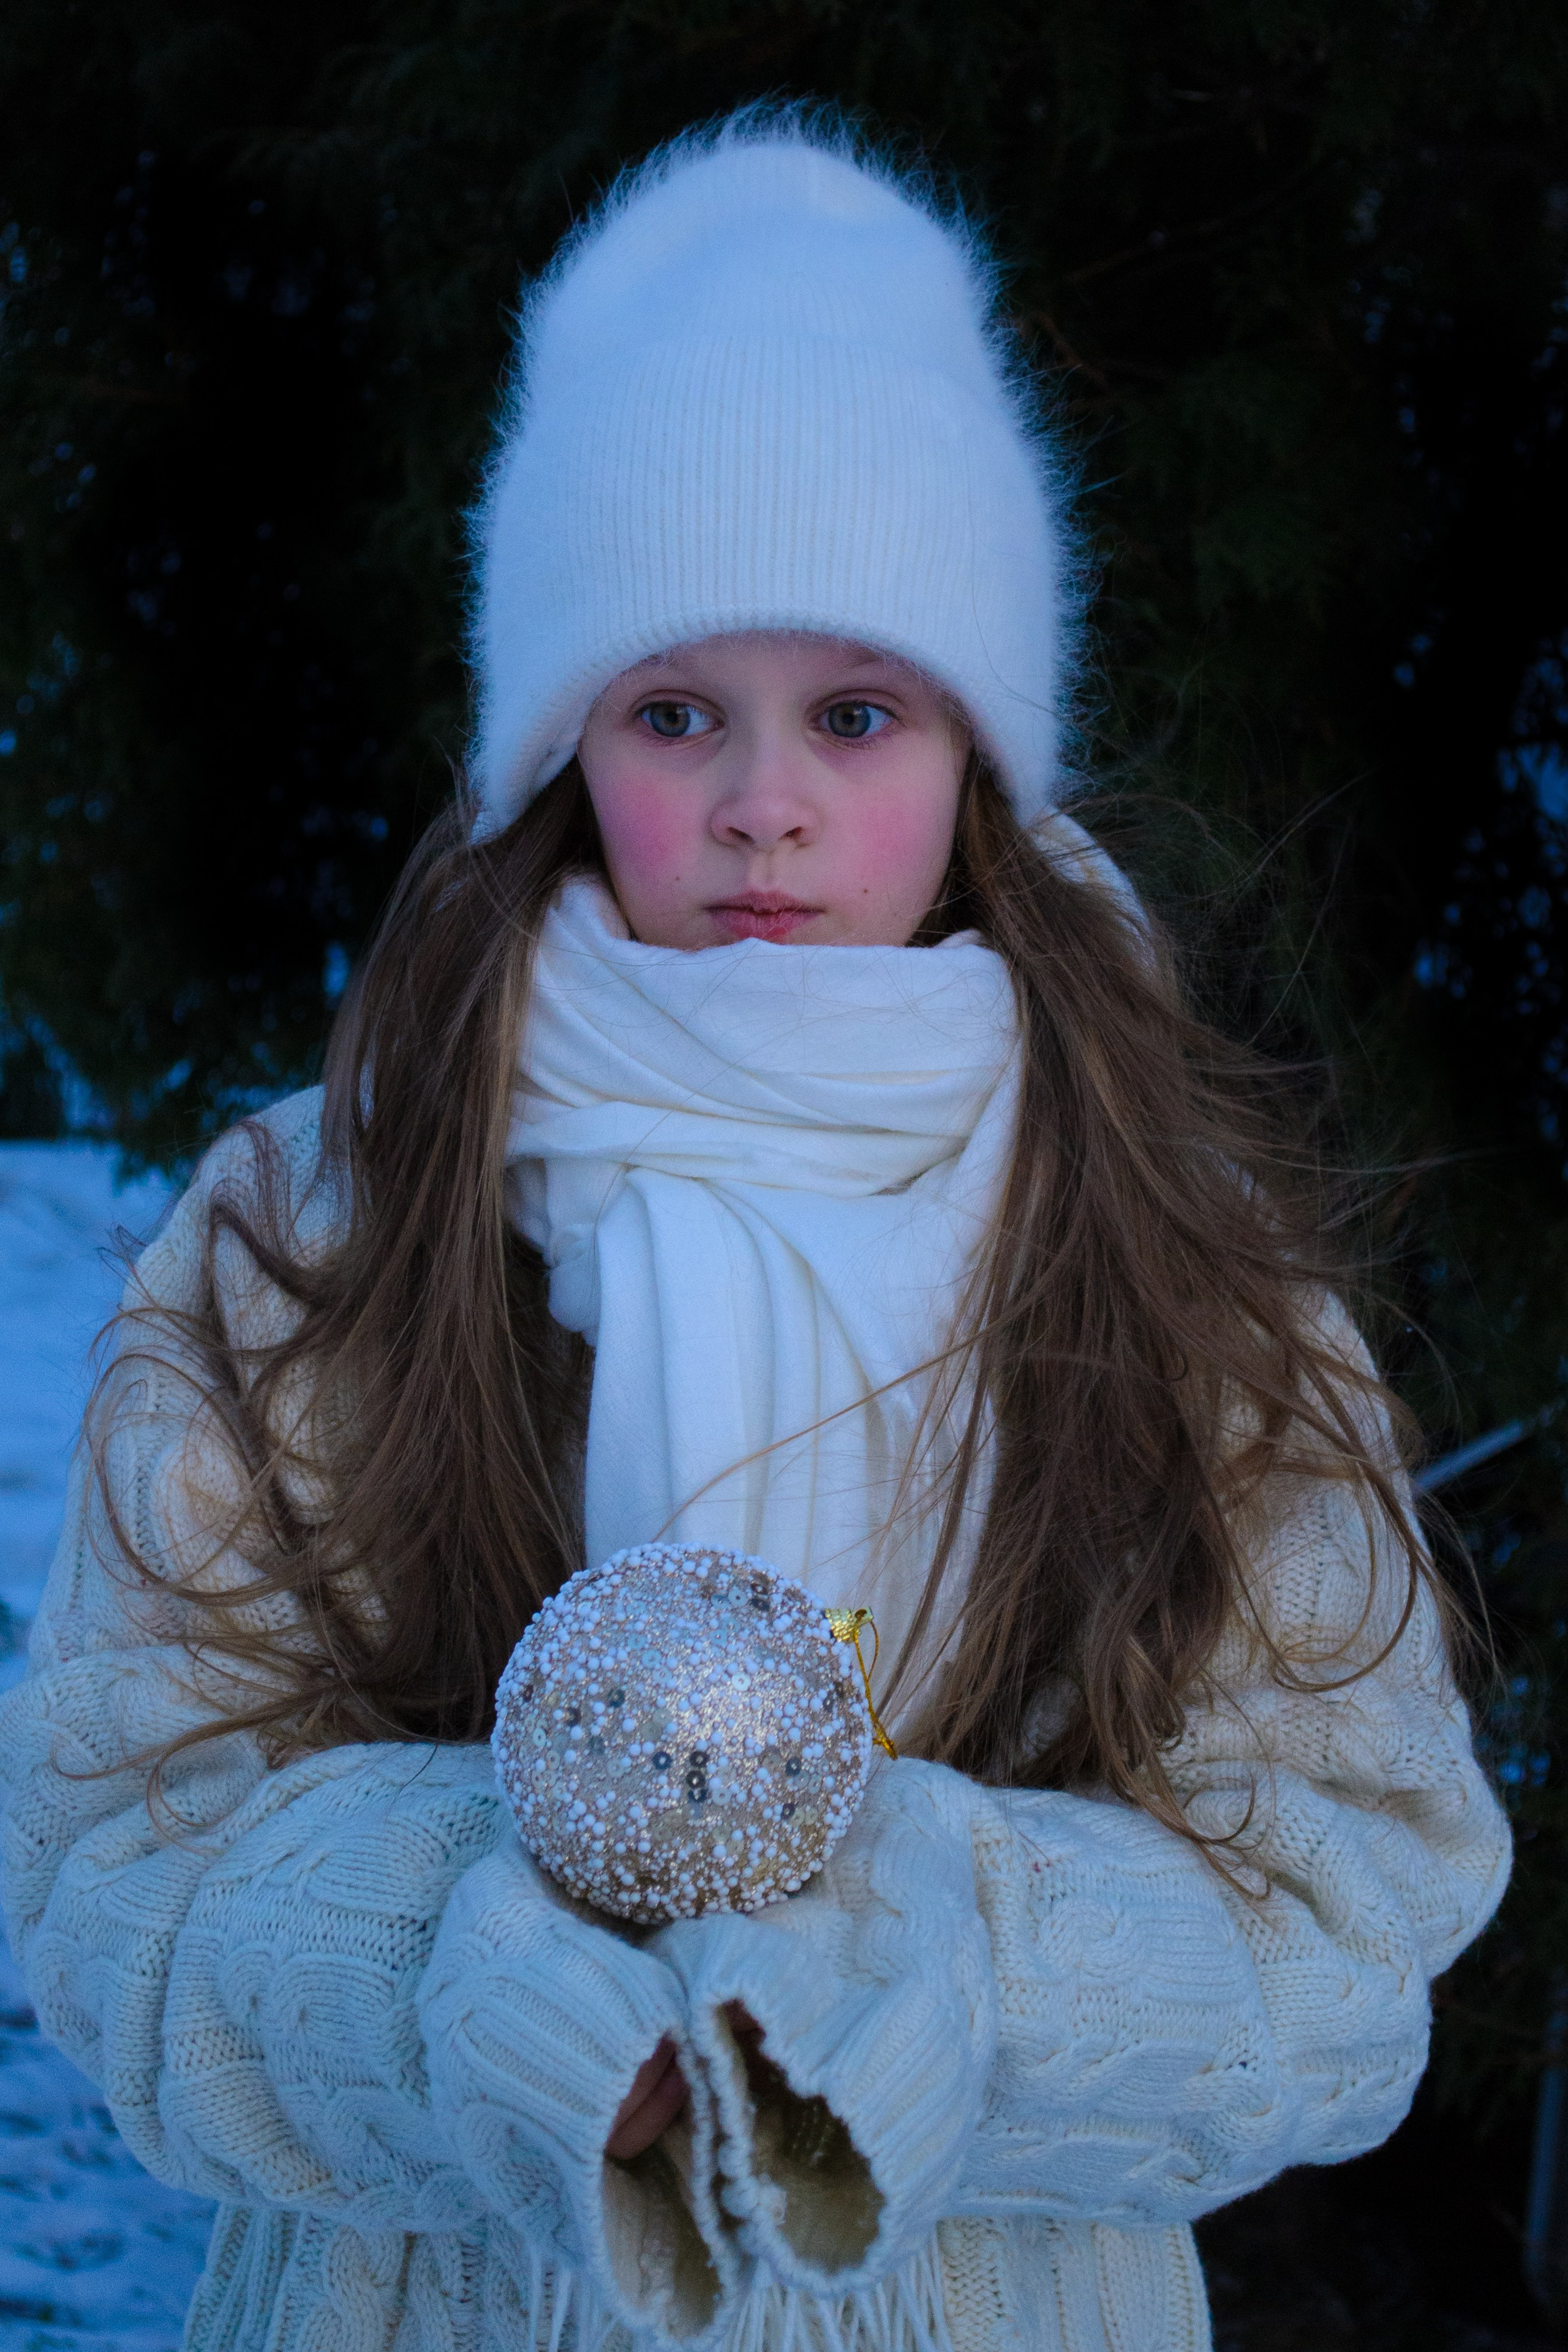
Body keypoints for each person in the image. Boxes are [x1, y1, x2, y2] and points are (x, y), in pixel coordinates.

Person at [0, 111, 1509, 2352]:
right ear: (559, 749)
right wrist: (487, 1970)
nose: (765, 801)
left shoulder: (1162, 1259)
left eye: (861, 712)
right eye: (676, 709)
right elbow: (116, 1866)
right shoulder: (320, 1223)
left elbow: (1346, 1892)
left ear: (981, 756)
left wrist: (907, 1955)